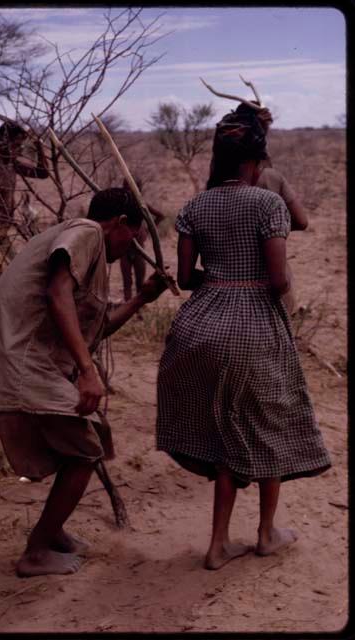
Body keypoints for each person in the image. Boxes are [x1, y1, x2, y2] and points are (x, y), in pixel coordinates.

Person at [156, 109, 331, 571]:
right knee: (269, 423)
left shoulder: (194, 207)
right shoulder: (267, 204)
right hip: (252, 325)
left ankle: (217, 544)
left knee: (221, 433)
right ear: (255, 161)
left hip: (199, 326)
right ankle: (266, 533)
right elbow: (277, 280)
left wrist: (222, 278)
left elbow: (186, 279)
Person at [0, 187, 167, 577]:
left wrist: (141, 298)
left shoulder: (88, 253)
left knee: (84, 442)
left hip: (21, 360)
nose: (133, 246)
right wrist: (87, 372)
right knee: (85, 449)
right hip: (18, 358)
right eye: (134, 236)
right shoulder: (87, 232)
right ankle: (36, 551)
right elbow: (58, 295)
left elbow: (96, 327)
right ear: (120, 223)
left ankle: (51, 534)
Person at [208, 103, 308, 315]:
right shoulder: (271, 179)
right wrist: (271, 230)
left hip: (221, 295)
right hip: (269, 292)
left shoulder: (210, 190)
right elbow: (301, 221)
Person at [0, 122, 49, 259]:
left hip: (5, 231)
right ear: (3, 143)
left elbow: (43, 173)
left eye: (21, 145)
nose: (20, 150)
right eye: (16, 145)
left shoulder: (12, 164)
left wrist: (39, 147)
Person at [119, 178, 165, 301]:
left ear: (137, 188)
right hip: (124, 249)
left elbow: (160, 215)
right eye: (126, 187)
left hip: (139, 249)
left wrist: (149, 230)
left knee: (140, 282)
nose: (128, 190)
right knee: (127, 282)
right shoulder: (121, 204)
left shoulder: (142, 203)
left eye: (131, 188)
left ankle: (138, 308)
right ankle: (127, 306)